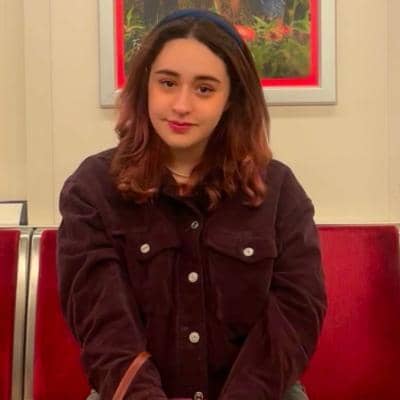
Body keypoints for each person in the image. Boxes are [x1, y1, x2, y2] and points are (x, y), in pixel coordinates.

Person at [57, 8, 326, 400]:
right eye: (167, 83)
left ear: (231, 98)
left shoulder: (280, 190)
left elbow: (296, 313)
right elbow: (104, 329)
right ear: (145, 87)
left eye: (204, 89)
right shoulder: (92, 189)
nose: (181, 105)